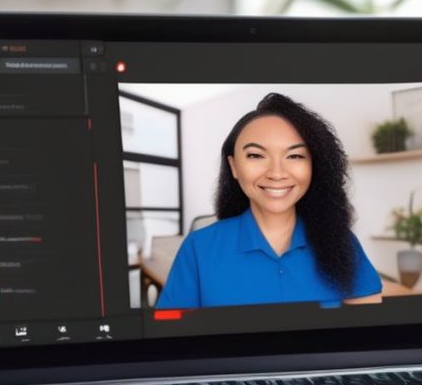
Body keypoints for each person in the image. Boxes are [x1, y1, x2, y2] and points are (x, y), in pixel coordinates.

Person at [156, 93, 382, 309]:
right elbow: (171, 339)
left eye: (294, 156)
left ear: (314, 166)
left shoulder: (342, 242)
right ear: (234, 166)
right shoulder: (199, 248)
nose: (276, 173)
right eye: (256, 155)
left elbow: (369, 336)